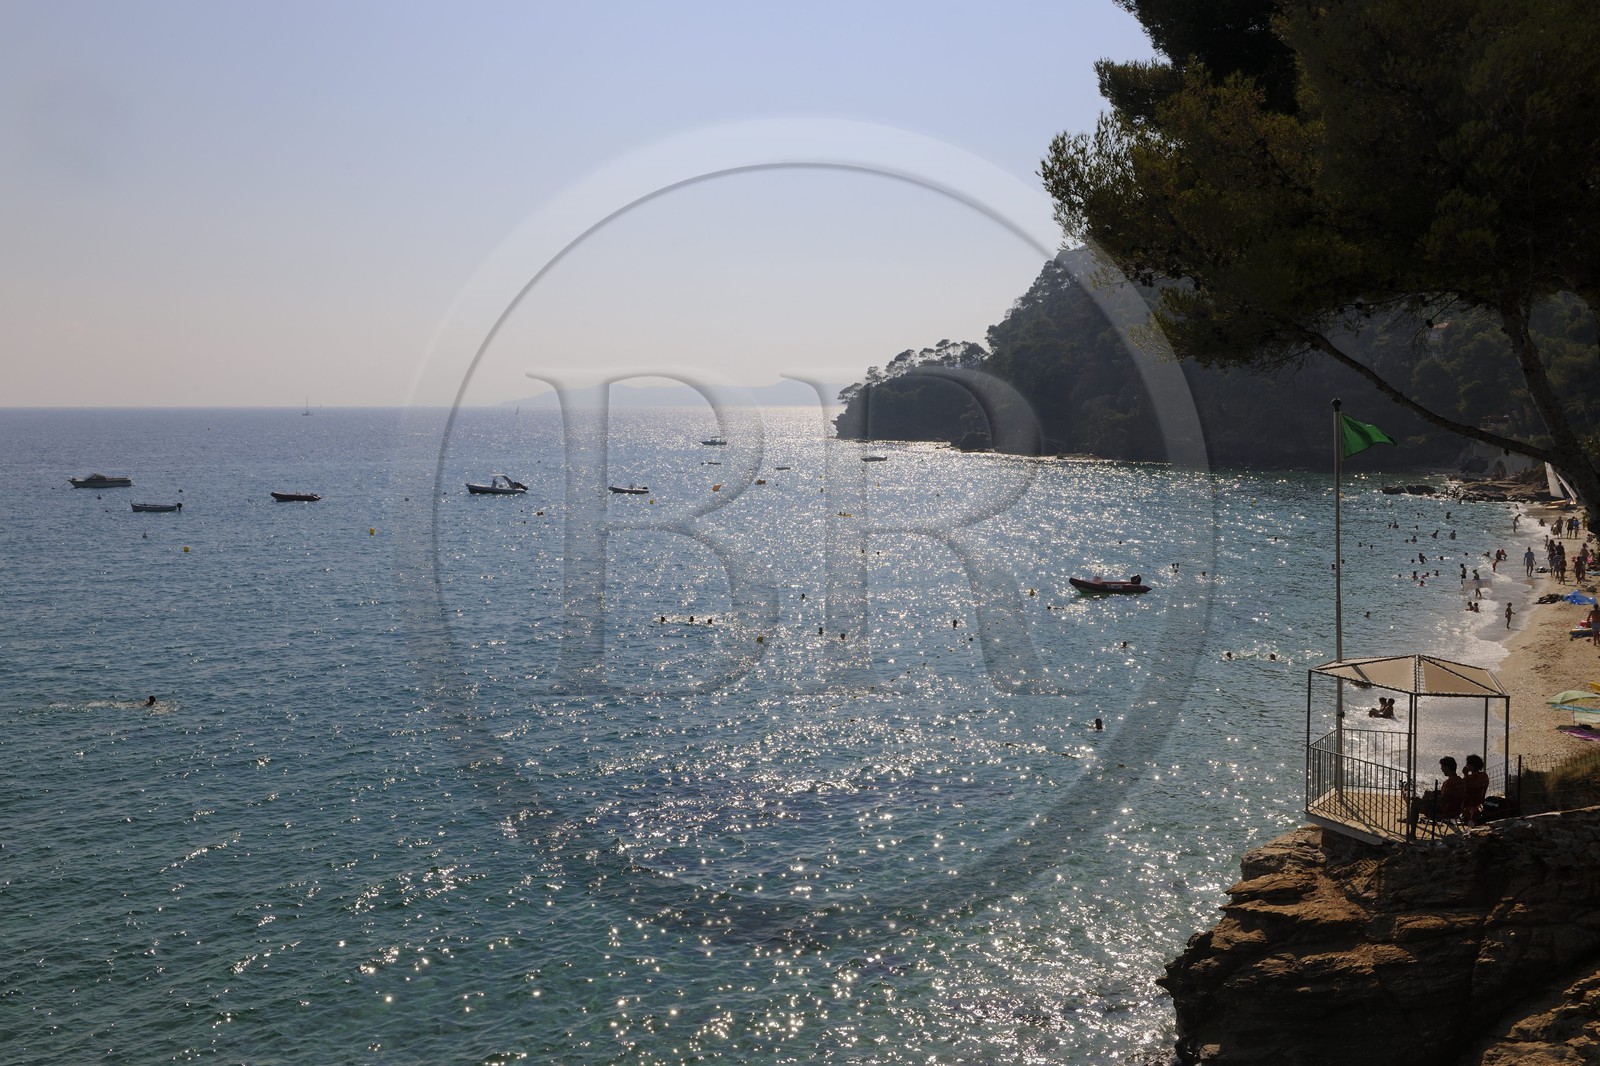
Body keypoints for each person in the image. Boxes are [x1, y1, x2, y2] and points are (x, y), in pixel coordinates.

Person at [1408, 757, 1466, 829]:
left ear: (1447, 767)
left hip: (1444, 813)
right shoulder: (1461, 781)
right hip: (1457, 811)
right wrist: (1434, 793)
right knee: (1424, 797)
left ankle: (1412, 832)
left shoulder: (1448, 783)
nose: (1441, 769)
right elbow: (1449, 795)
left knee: (1415, 803)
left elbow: (1442, 801)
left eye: (1442, 767)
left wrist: (1425, 799)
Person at [1460, 754, 1489, 823]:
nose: (1466, 765)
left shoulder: (1470, 778)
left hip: (1470, 800)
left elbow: (1464, 787)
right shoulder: (1484, 775)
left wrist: (1465, 775)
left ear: (1472, 765)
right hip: (1480, 799)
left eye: (1467, 763)